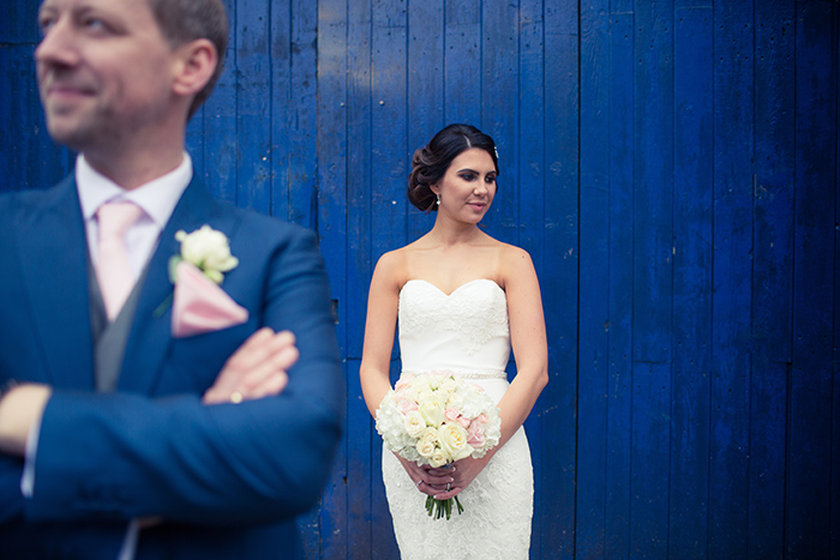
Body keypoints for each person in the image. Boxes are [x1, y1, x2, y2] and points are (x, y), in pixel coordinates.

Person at [0, 0, 343, 557]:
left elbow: (294, 455)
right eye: (47, 23)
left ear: (191, 66)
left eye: (92, 24)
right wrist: (211, 433)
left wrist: (34, 421)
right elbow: (253, 465)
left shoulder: (276, 255)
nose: (50, 51)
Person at [359, 123, 549, 558]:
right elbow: (371, 367)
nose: (482, 189)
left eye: (490, 178)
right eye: (469, 176)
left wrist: (480, 454)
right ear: (435, 181)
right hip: (413, 448)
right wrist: (404, 448)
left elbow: (535, 371)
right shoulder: (394, 265)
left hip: (497, 444)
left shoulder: (512, 261)